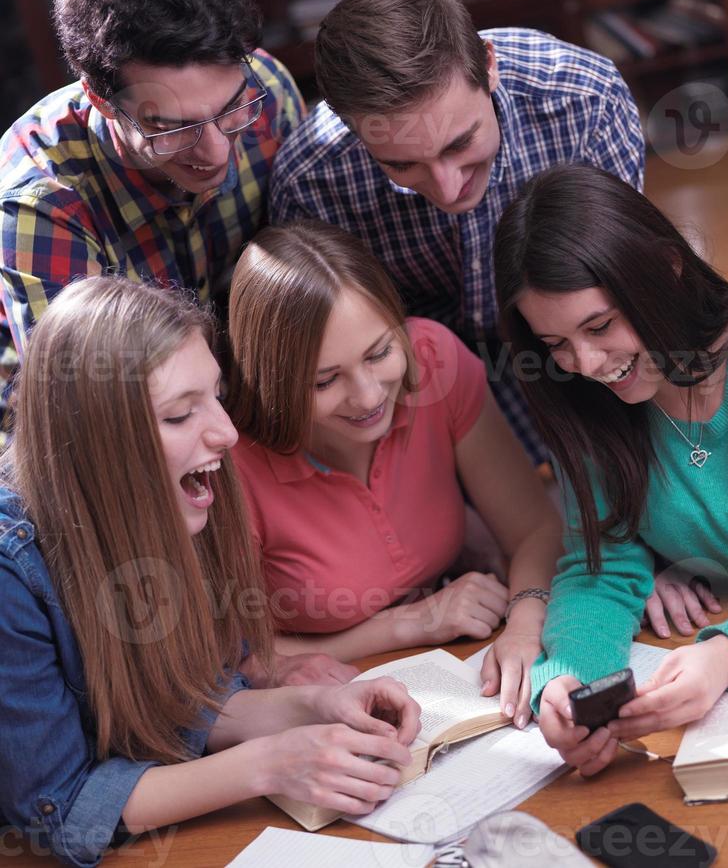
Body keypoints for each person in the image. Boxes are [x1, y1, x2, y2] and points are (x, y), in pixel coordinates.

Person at [0, 275, 420, 867]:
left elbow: (182, 705)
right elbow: (60, 812)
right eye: (179, 416)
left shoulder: (180, 504)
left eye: (216, 396)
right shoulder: (10, 574)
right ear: (99, 447)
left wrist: (314, 707)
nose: (225, 432)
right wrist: (271, 762)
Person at [268, 0, 645, 463]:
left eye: (459, 144)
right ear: (348, 125)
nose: (448, 187)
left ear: (488, 66)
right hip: (412, 392)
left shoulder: (583, 97)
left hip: (575, 352)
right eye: (402, 164)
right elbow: (335, 366)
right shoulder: (311, 180)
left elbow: (620, 284)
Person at [227, 221, 563, 726]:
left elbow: (535, 528)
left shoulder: (435, 360)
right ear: (268, 384)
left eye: (380, 352)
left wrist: (526, 617)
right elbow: (231, 656)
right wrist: (407, 624)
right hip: (336, 703)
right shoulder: (233, 464)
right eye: (324, 380)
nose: (367, 396)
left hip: (456, 671)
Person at [0, 0, 305, 434]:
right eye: (171, 127)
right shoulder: (41, 201)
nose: (213, 152)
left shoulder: (269, 94)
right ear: (101, 99)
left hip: (252, 393)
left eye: (229, 109)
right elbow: (98, 415)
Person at [493, 164, 728, 776]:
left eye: (600, 326)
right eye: (556, 345)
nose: (588, 363)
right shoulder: (594, 407)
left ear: (666, 269)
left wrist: (727, 655)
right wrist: (570, 679)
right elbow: (601, 565)